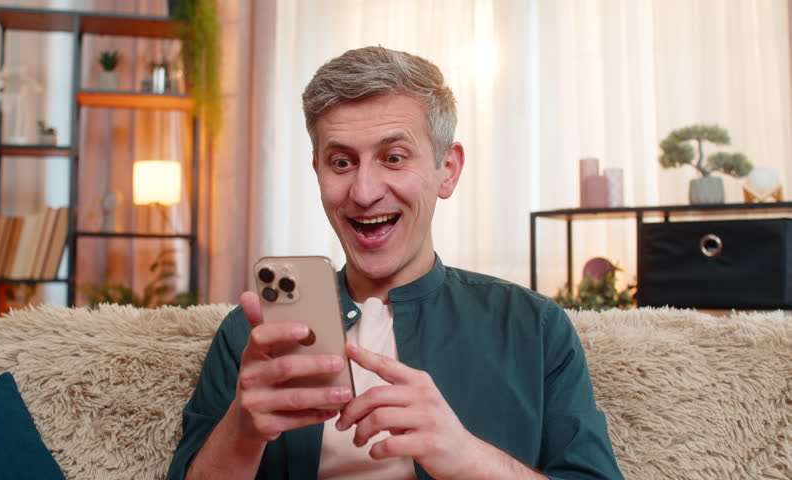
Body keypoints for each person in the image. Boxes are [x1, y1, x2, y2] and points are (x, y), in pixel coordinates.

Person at [167, 46, 623, 480]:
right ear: (317, 171)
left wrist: (467, 457)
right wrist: (242, 431)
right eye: (341, 162)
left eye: (394, 158)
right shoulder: (252, 336)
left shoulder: (534, 327)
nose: (364, 192)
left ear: (448, 170)